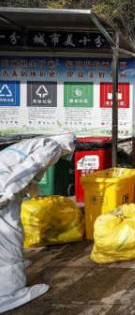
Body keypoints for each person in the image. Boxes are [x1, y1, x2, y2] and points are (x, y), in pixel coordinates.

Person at [0, 133, 75, 313]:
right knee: (10, 239)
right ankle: (12, 292)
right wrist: (7, 193)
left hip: (6, 187)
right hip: (4, 189)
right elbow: (29, 168)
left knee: (3, 241)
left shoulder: (32, 144)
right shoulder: (53, 147)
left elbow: (28, 171)